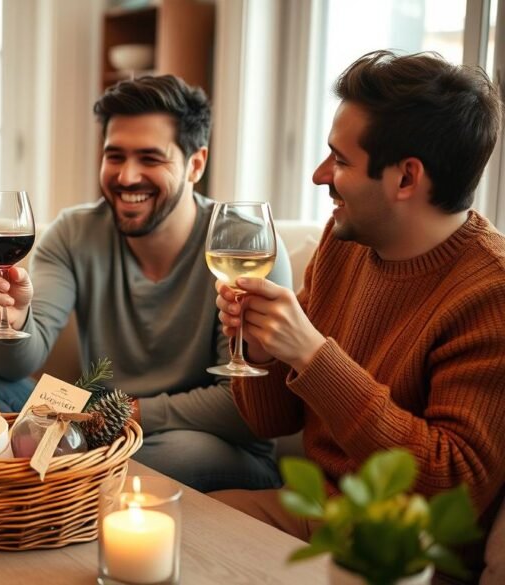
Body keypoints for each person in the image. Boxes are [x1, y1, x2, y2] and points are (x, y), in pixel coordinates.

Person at [211, 50, 505, 576]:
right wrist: (259, 348)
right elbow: (270, 420)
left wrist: (314, 355)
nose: (320, 175)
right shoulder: (345, 241)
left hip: (398, 555)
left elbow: (452, 487)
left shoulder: (491, 293)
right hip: (310, 515)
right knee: (162, 526)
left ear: (406, 178)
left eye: (340, 160)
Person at [0, 74, 293, 492]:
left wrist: (127, 413)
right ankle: (48, 482)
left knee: (176, 451)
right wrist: (12, 323)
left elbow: (245, 407)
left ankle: (52, 477)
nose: (126, 177)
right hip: (101, 427)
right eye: (115, 156)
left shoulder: (245, 245)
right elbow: (13, 367)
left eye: (150, 158)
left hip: (207, 444)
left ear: (196, 163)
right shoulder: (74, 233)